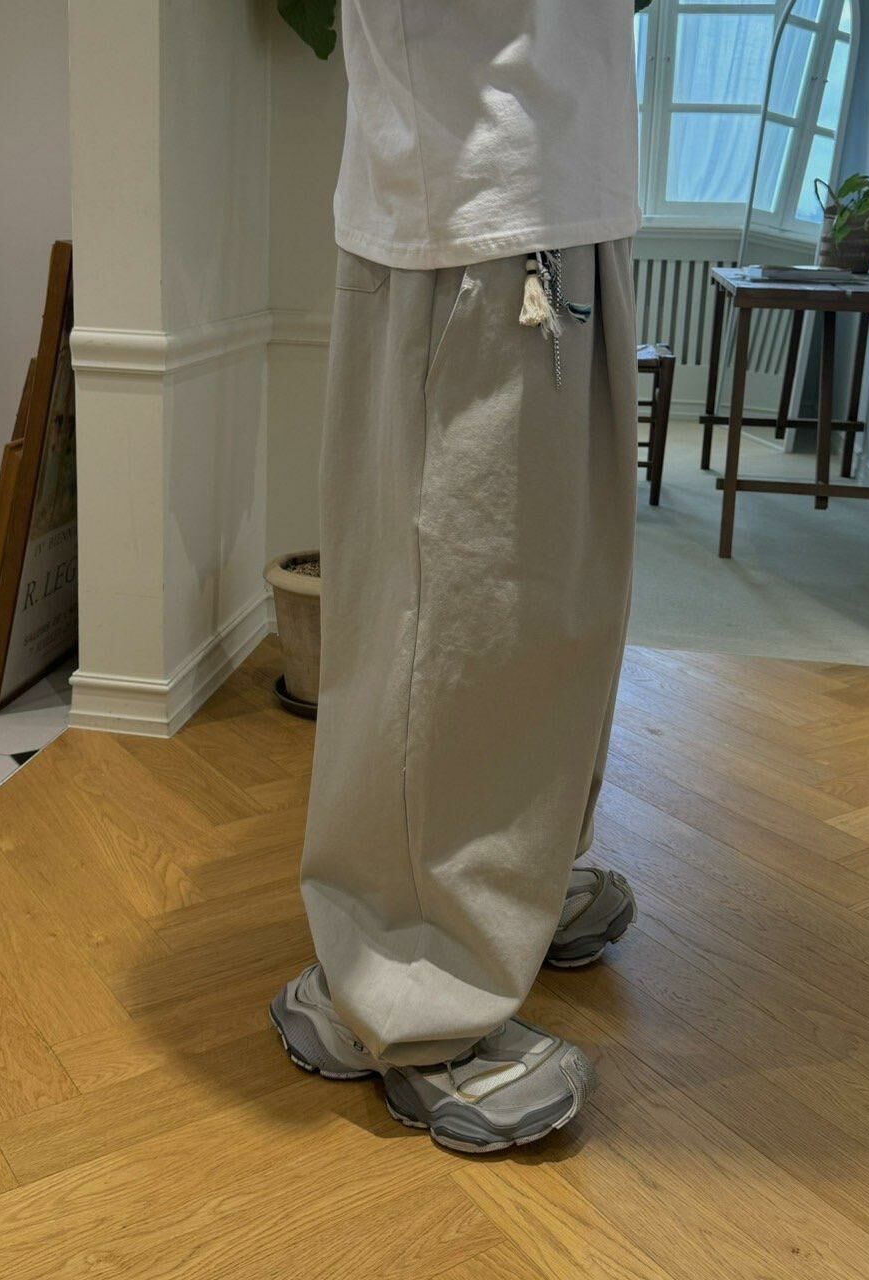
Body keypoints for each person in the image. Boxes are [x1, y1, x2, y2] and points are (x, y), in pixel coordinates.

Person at [271, 0, 642, 1154]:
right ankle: (406, 973)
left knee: (548, 609)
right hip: (469, 202)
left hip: (557, 191)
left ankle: (502, 875)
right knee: (450, 622)